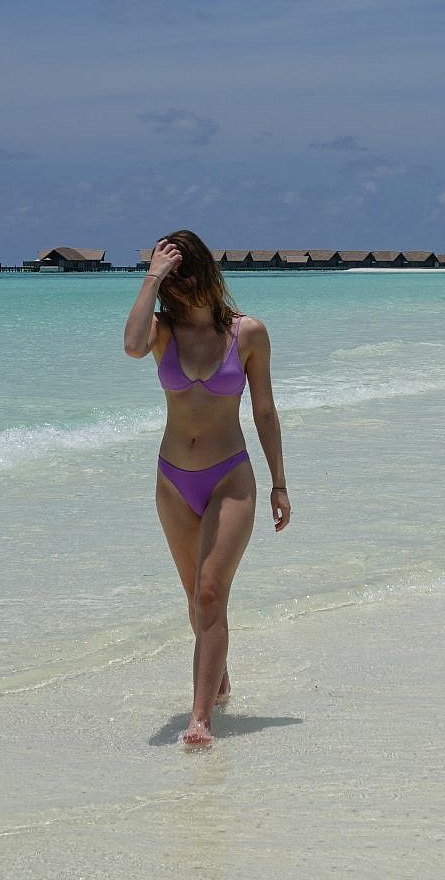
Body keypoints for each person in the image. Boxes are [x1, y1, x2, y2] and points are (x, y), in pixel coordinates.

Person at [124, 229, 290, 746]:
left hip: (229, 477)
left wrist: (279, 484)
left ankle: (200, 719)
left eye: (184, 273)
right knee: (194, 597)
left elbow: (264, 410)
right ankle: (217, 678)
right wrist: (152, 276)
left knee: (212, 591)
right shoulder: (162, 333)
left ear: (207, 272)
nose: (180, 286)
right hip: (173, 480)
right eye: (171, 278)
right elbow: (130, 347)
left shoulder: (248, 334)